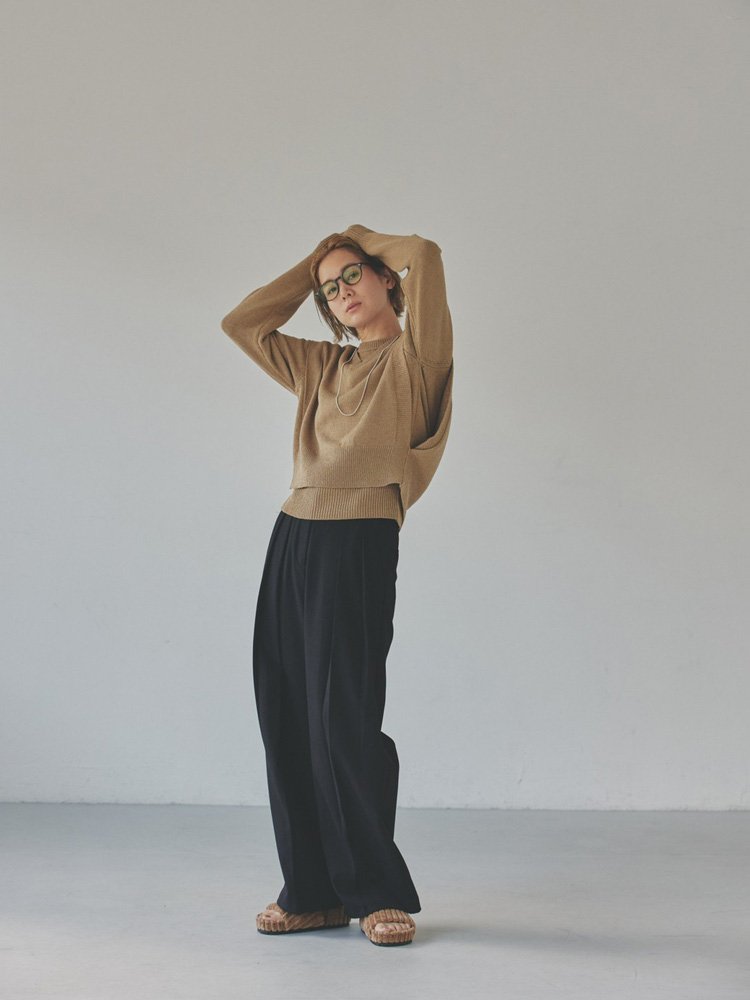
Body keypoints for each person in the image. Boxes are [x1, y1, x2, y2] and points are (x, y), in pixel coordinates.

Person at [220, 223, 453, 947]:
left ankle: (376, 891)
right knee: (287, 712)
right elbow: (243, 323)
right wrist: (316, 265)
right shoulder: (320, 365)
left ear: (387, 279)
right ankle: (313, 893)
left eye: (355, 276)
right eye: (330, 290)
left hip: (358, 541)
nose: (342, 292)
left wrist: (356, 239)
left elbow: (426, 255)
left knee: (343, 716)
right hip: (294, 535)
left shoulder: (417, 359)